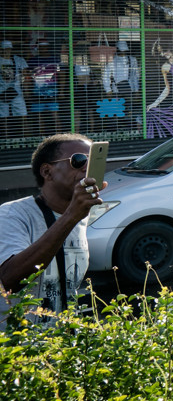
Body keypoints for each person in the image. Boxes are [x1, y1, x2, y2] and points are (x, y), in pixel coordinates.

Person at [0, 134, 101, 317]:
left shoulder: (80, 216)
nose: (87, 168)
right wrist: (71, 216)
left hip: (60, 333)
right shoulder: (12, 214)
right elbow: (9, 280)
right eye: (79, 160)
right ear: (47, 172)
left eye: (92, 160)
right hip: (20, 334)